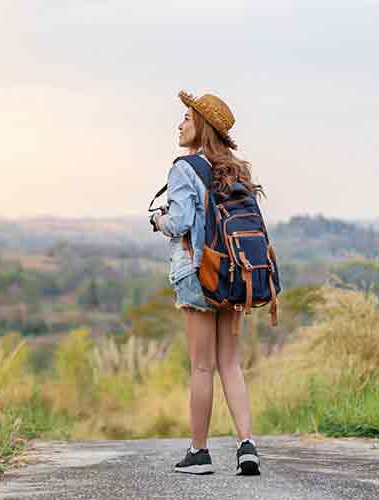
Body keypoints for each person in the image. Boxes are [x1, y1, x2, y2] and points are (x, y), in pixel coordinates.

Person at [150, 91, 264, 476]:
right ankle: (247, 446)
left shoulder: (185, 168)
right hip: (237, 274)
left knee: (201, 367)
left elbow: (180, 224)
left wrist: (158, 220)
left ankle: (199, 453)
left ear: (202, 126)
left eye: (186, 117)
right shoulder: (236, 170)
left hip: (199, 275)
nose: (179, 124)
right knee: (230, 363)